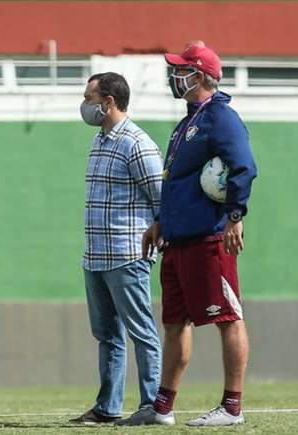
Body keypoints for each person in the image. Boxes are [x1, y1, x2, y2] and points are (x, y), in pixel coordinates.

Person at [118, 41, 257, 427]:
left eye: (181, 68)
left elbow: (243, 165)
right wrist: (162, 221)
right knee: (175, 323)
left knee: (228, 317)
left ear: (199, 75)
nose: (173, 75)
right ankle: (162, 408)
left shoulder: (221, 116)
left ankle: (232, 408)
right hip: (177, 241)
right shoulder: (188, 123)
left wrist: (234, 214)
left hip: (209, 238)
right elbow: (177, 182)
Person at [70, 72, 165, 424]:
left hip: (127, 256)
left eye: (89, 98)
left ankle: (153, 404)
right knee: (107, 336)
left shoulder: (137, 143)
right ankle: (108, 408)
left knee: (142, 331)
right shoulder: (100, 140)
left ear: (108, 102)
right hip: (95, 256)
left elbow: (161, 198)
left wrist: (159, 235)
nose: (84, 106)